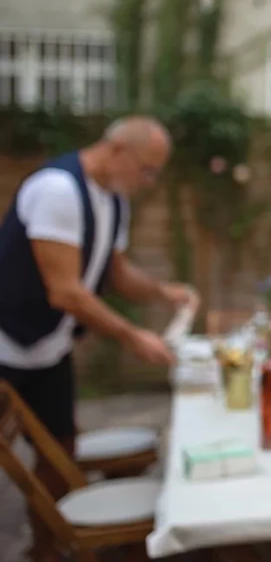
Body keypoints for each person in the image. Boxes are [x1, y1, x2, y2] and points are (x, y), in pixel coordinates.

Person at [0, 116, 198, 561]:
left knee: (59, 451)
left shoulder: (113, 201)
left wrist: (163, 292)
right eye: (146, 169)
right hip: (8, 341)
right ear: (115, 150)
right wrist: (132, 336)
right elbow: (65, 290)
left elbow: (117, 273)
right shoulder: (57, 190)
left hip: (49, 349)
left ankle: (45, 548)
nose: (149, 181)